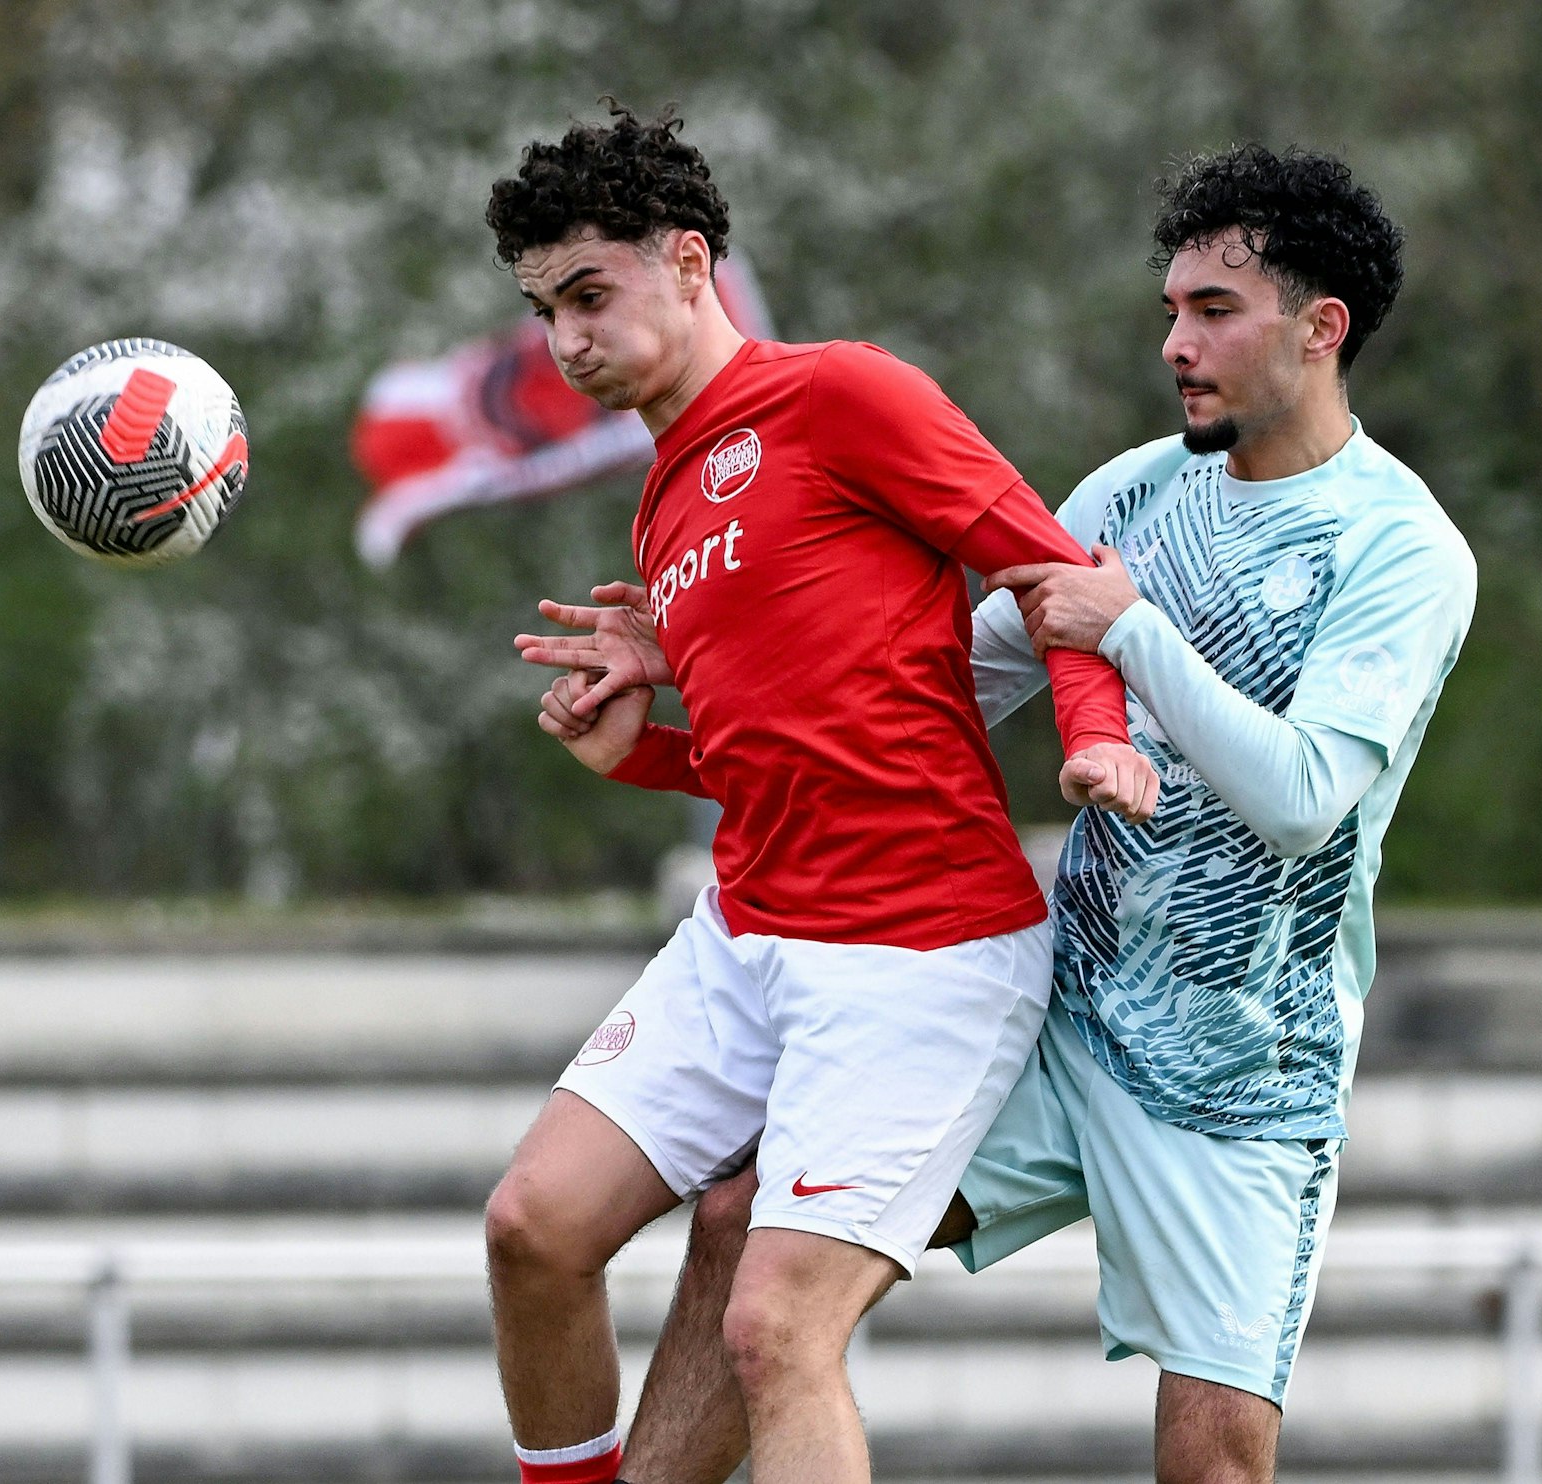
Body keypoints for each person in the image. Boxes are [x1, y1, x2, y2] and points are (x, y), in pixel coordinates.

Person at [545, 144, 1477, 1484]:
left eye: (1214, 313)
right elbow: (920, 703)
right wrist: (688, 686)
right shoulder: (1132, 494)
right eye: (1169, 310)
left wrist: (1134, 632)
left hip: (1241, 1075)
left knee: (1211, 1461)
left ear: (1320, 329)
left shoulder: (1401, 547)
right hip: (1064, 1013)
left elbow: (1302, 803)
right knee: (747, 1235)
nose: (1176, 343)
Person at [484, 104, 1157, 1484]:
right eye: (545, 311)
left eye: (588, 295)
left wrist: (1099, 741)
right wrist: (649, 752)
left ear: (688, 262)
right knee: (533, 1228)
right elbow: (791, 749)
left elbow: (1056, 572)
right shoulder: (665, 497)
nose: (565, 344)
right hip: (751, 929)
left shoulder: (843, 394)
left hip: (918, 956)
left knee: (778, 1329)